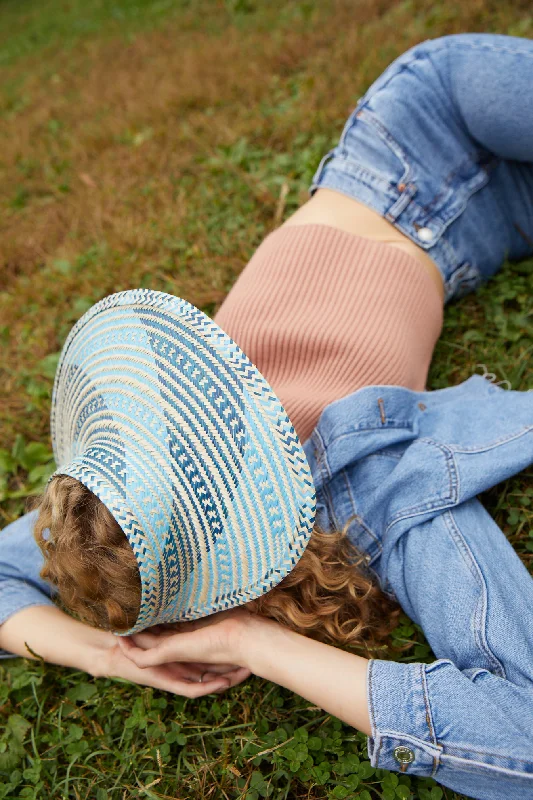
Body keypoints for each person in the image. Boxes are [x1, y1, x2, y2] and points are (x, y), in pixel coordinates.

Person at [0, 32, 532, 800]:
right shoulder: (369, 490)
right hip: (495, 223)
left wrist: (105, 652)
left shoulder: (111, 505)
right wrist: (227, 645)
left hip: (420, 128)